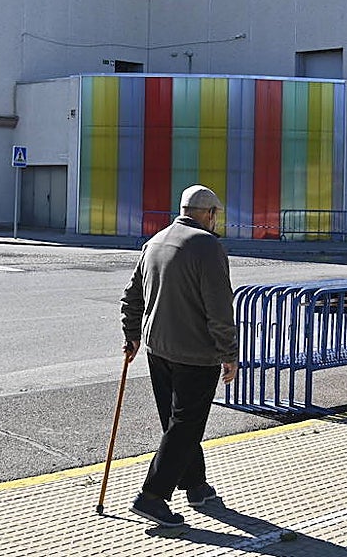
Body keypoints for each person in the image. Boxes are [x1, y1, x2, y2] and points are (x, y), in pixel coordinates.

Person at [120, 184, 239, 528]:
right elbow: (219, 308)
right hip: (194, 355)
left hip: (158, 350)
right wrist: (228, 353)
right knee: (186, 426)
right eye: (216, 215)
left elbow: (131, 296)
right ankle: (152, 496)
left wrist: (131, 336)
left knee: (177, 424)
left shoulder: (155, 242)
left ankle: (195, 485)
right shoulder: (207, 247)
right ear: (210, 214)